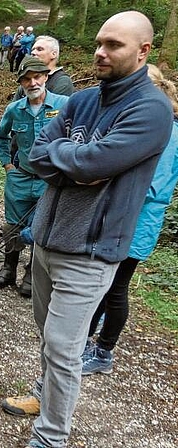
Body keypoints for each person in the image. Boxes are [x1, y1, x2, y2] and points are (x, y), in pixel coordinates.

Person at [1, 12, 174, 448]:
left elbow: (92, 163)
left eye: (114, 44)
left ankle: (51, 438)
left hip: (92, 250)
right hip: (47, 237)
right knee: (48, 334)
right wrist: (75, 164)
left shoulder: (152, 111)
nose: (101, 51)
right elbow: (42, 158)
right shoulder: (80, 100)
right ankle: (43, 396)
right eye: (99, 42)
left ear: (143, 51)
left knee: (63, 347)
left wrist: (78, 161)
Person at [82, 64, 178, 376]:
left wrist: (105, 179)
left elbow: (154, 184)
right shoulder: (146, 121)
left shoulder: (167, 130)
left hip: (138, 222)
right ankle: (83, 340)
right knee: (101, 282)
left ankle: (103, 351)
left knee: (115, 287)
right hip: (121, 217)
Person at [0, 56, 69, 296]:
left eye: (36, 77)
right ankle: (8, 269)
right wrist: (7, 166)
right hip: (20, 178)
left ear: (45, 77)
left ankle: (32, 275)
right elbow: (0, 138)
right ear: (21, 83)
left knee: (41, 226)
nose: (32, 83)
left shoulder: (64, 105)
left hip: (50, 180)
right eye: (26, 80)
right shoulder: (15, 109)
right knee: (13, 225)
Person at [13, 35, 74, 100]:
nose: (33, 53)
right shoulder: (28, 78)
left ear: (54, 54)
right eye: (33, 50)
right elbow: (13, 108)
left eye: (39, 49)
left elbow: (55, 108)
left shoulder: (62, 81)